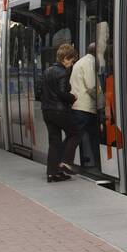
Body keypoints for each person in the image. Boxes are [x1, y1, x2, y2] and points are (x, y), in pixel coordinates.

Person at [42, 43, 80, 183]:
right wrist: (73, 97)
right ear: (64, 58)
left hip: (47, 111)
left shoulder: (47, 71)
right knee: (75, 133)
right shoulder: (63, 73)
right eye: (71, 60)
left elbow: (43, 92)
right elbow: (62, 93)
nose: (71, 63)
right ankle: (65, 162)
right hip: (59, 111)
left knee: (54, 141)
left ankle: (52, 173)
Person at [70, 41, 101, 171]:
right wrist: (102, 103)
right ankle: (65, 162)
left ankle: (91, 163)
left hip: (80, 106)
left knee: (80, 136)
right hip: (85, 107)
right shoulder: (90, 62)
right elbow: (92, 86)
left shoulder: (83, 61)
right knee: (86, 136)